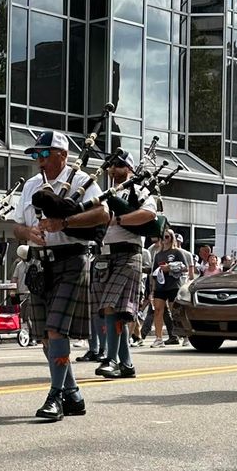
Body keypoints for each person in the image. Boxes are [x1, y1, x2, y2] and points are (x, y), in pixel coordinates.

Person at [12, 130, 109, 421]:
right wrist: (27, 232)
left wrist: (64, 222)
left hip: (71, 260)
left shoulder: (81, 181)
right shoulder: (30, 186)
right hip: (40, 264)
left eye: (45, 154)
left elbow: (103, 214)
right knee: (44, 336)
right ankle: (73, 393)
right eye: (36, 155)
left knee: (56, 331)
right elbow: (16, 225)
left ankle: (55, 396)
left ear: (62, 155)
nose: (39, 160)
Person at [94, 151, 157, 379]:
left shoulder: (138, 190)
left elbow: (150, 214)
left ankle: (110, 359)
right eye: (111, 165)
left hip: (128, 254)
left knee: (110, 306)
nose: (113, 169)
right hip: (103, 256)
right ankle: (127, 363)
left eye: (119, 165)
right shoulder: (103, 193)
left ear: (129, 169)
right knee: (115, 312)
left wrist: (118, 219)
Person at [147, 230, 187, 347]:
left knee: (174, 311)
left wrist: (170, 267)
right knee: (158, 310)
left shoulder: (177, 252)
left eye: (167, 236)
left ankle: (184, 335)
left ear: (171, 238)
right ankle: (158, 338)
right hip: (160, 286)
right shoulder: (158, 255)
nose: (165, 239)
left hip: (173, 285)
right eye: (163, 237)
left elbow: (184, 268)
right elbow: (154, 274)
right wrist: (152, 292)